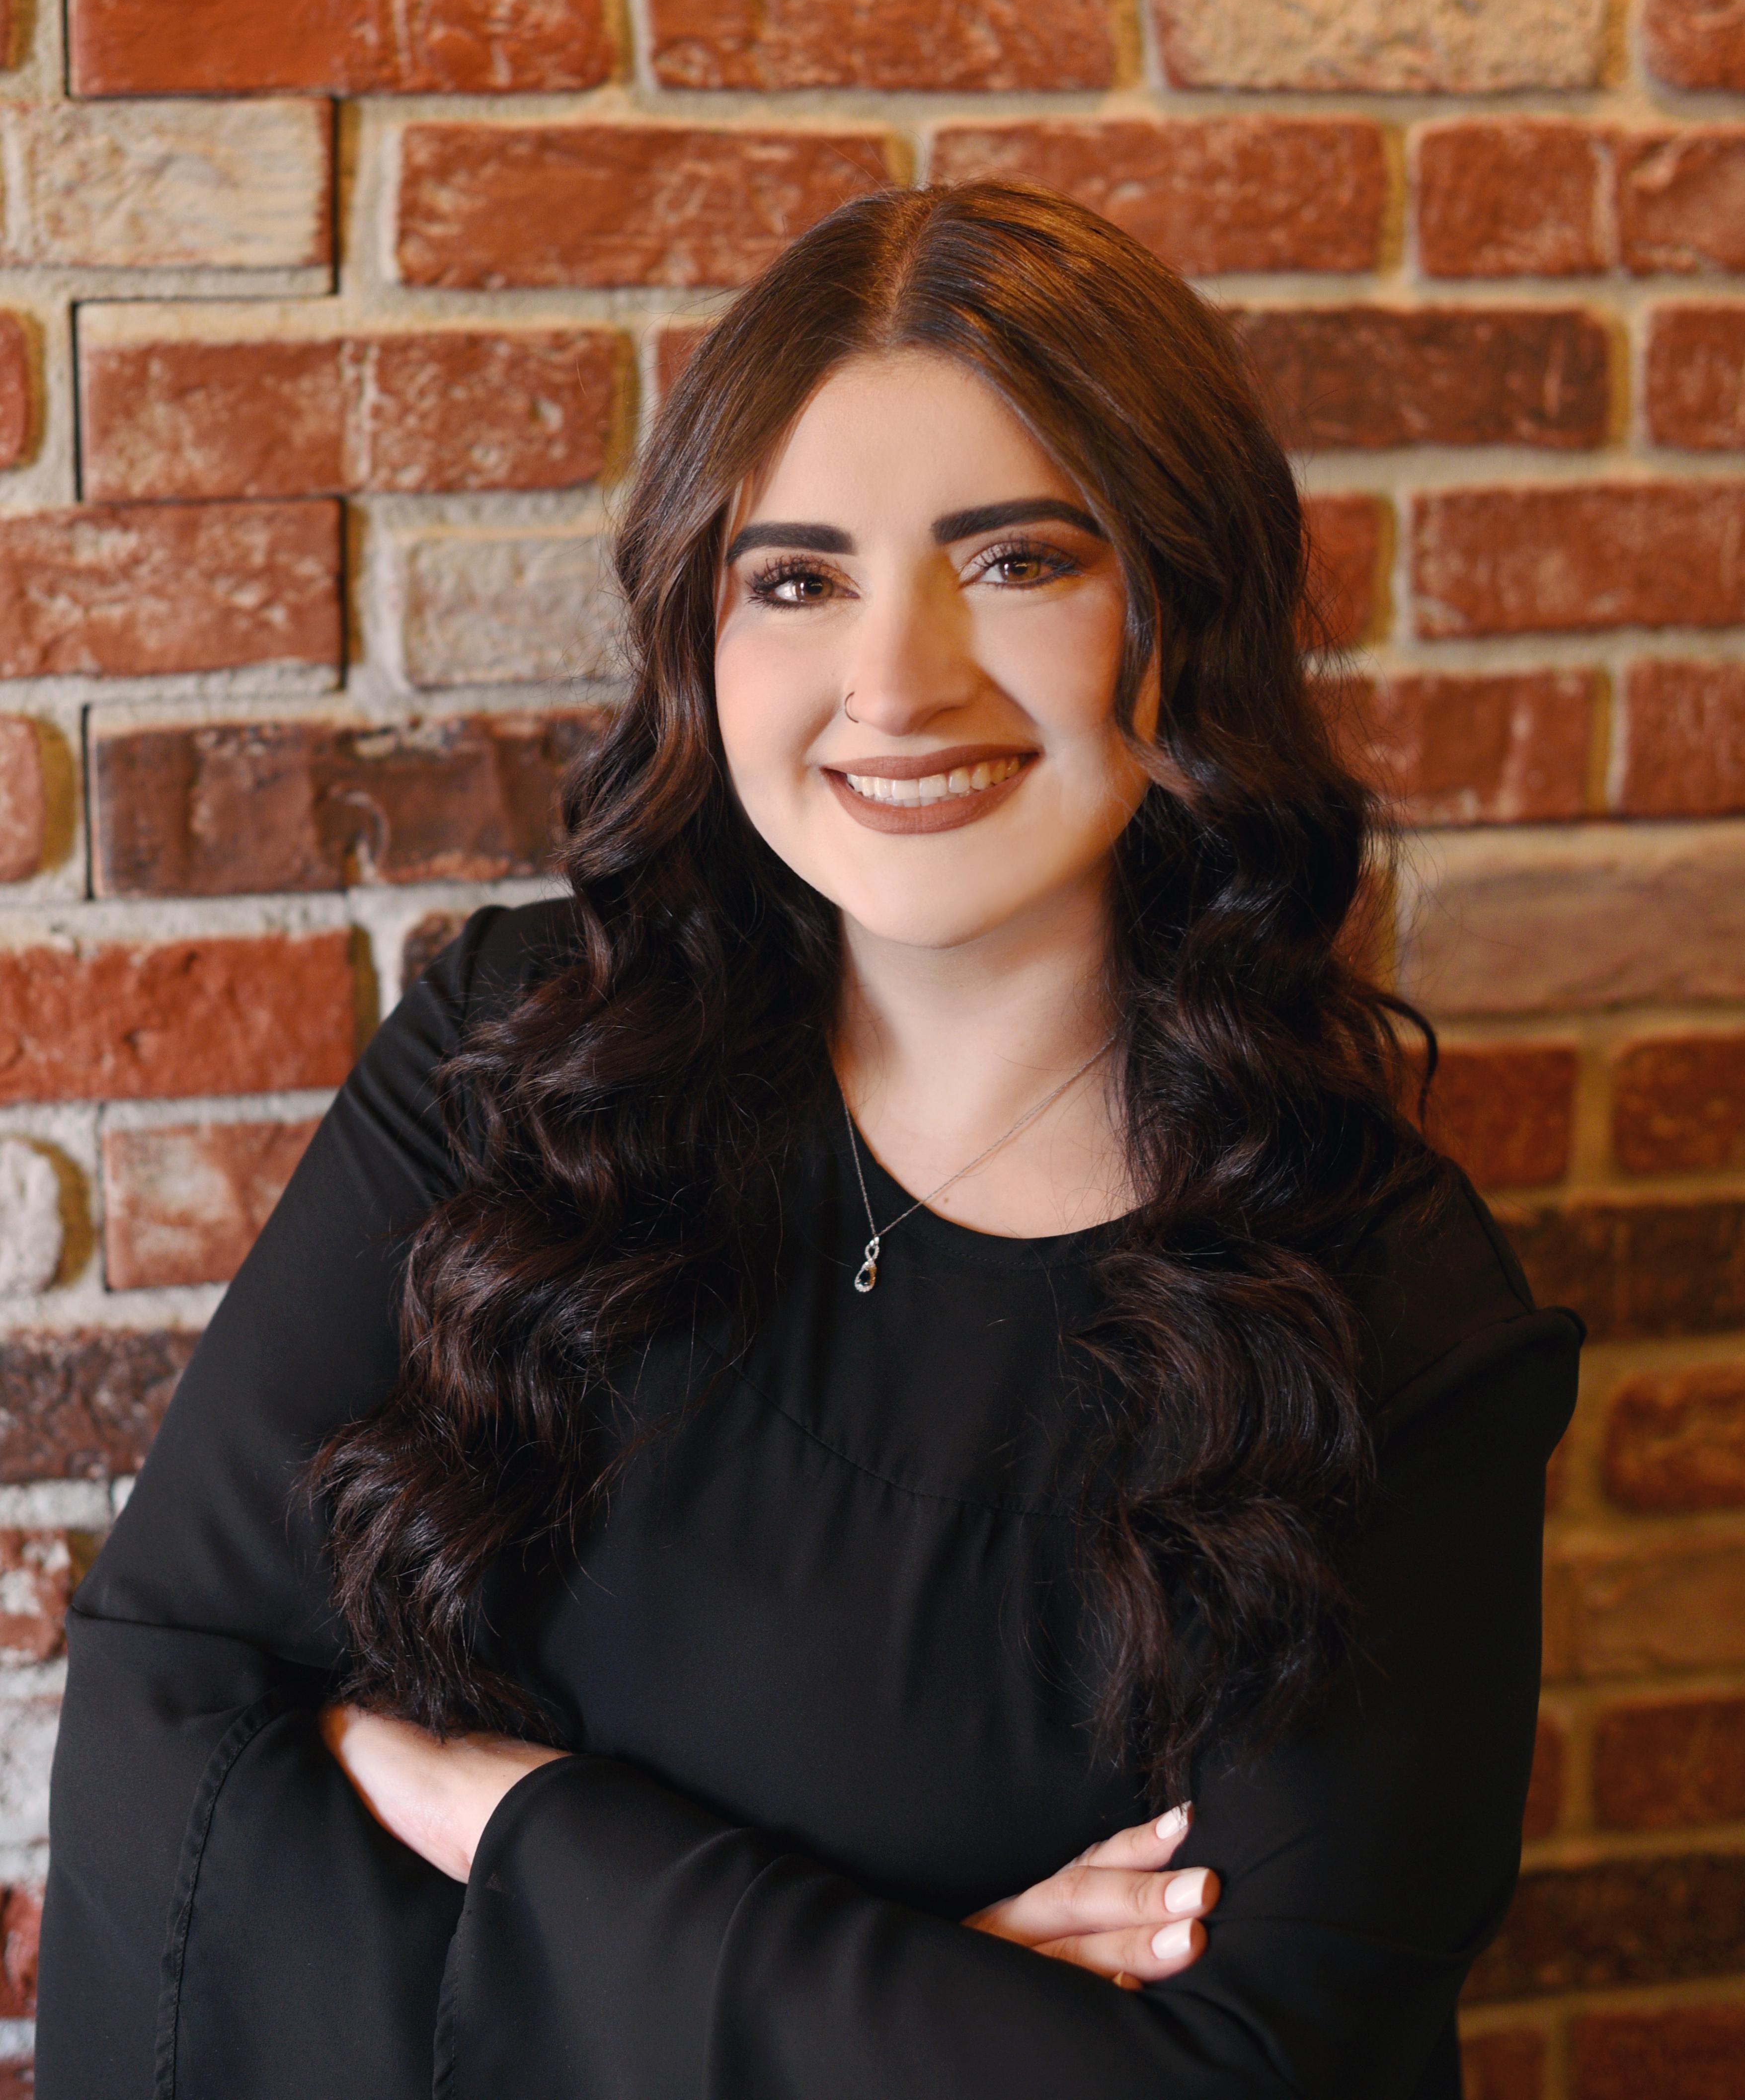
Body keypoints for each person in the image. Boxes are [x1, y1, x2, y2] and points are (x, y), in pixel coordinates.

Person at [37, 183, 1578, 2100]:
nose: (896, 683)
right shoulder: (513, 1062)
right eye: (796, 578)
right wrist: (895, 2013)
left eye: (1016, 562)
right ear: (705, 633)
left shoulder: (1381, 1302)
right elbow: (170, 1732)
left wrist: (513, 1826)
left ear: (1187, 605)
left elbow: (1252, 2077)